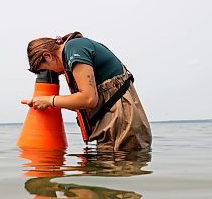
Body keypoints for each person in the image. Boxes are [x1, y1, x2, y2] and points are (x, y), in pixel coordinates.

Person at [22, 32, 152, 151]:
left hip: (122, 122)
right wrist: (47, 103)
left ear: (47, 56)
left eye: (47, 69)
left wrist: (50, 100)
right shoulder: (74, 49)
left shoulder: (74, 48)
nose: (56, 73)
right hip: (118, 119)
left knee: (118, 168)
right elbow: (93, 102)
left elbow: (88, 99)